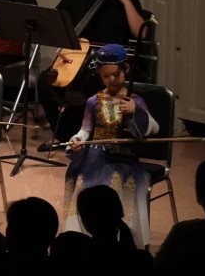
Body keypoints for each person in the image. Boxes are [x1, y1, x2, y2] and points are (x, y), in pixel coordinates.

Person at [40, 0, 152, 141]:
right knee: (44, 81)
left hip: (108, 60)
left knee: (86, 85)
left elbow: (140, 34)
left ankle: (85, 135)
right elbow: (59, 20)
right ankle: (64, 135)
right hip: (77, 57)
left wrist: (125, 0)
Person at [62, 43, 159, 249]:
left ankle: (117, 240)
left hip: (122, 159)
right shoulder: (93, 101)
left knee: (112, 182)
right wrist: (77, 140)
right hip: (94, 157)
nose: (112, 80)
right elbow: (85, 129)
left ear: (126, 70)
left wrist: (136, 111)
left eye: (116, 74)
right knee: (83, 179)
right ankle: (85, 238)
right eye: (106, 76)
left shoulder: (134, 100)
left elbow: (154, 128)